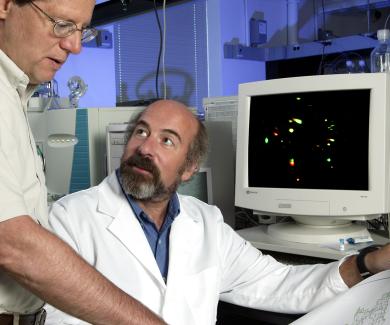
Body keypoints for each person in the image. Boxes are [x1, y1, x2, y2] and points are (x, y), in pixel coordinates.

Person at [45, 99, 390, 325]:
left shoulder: (205, 222)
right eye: (141, 132)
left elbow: (276, 283)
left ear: (189, 168)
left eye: (167, 141)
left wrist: (365, 263)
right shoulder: (71, 219)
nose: (145, 147)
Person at [0, 0, 166, 324]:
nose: (74, 46)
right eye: (61, 24)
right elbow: (14, 244)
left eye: (82, 30)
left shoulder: (14, 94)